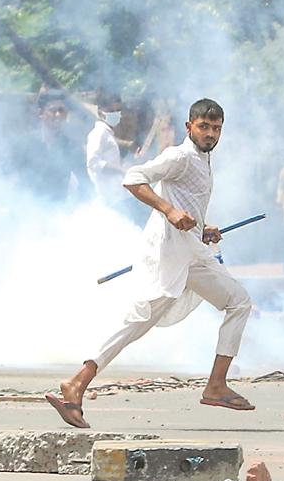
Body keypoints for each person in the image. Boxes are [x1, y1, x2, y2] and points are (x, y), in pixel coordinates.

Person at [45, 99, 255, 429]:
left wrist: (203, 227)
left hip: (193, 255)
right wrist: (169, 211)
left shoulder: (203, 159)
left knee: (239, 302)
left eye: (216, 129)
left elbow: (189, 203)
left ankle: (216, 385)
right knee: (137, 322)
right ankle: (75, 384)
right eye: (204, 127)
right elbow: (133, 178)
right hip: (168, 257)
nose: (210, 134)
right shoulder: (180, 156)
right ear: (190, 127)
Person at [5, 90, 90, 203]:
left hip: (56, 214)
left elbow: (85, 182)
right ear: (41, 113)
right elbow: (7, 175)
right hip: (25, 210)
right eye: (53, 110)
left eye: (61, 110)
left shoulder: (71, 147)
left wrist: (79, 206)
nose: (58, 115)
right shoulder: (24, 143)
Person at [85, 92, 128, 207]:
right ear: (100, 112)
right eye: (111, 111)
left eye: (118, 110)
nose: (115, 114)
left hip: (116, 195)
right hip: (106, 198)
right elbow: (93, 163)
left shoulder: (108, 133)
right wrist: (121, 170)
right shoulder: (98, 133)